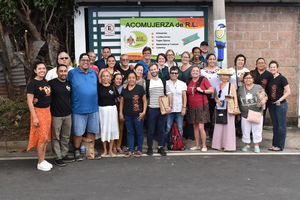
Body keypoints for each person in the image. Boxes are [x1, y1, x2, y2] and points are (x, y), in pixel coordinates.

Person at [67, 53, 100, 161]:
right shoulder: (72, 73)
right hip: (78, 108)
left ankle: (90, 149)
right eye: (83, 60)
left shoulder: (94, 73)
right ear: (79, 61)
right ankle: (77, 150)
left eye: (88, 60)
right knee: (78, 132)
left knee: (92, 130)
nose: (86, 62)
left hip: (93, 108)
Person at [26, 61, 52, 171]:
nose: (42, 70)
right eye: (39, 69)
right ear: (35, 71)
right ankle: (40, 161)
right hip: (39, 112)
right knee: (41, 138)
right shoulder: (33, 83)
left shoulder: (45, 82)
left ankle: (43, 159)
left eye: (43, 68)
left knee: (46, 138)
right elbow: (29, 101)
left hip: (47, 112)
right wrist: (35, 117)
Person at [48, 64, 74, 167]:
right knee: (55, 137)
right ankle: (57, 157)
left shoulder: (69, 84)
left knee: (66, 136)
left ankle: (64, 154)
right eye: (61, 71)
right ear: (57, 72)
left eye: (65, 71)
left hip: (67, 114)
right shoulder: (51, 83)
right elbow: (44, 95)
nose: (63, 73)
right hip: (56, 115)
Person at [238, 72, 268, 153]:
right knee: (245, 130)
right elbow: (237, 100)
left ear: (253, 79)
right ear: (243, 79)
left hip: (257, 113)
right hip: (245, 114)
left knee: (257, 130)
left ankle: (256, 145)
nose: (248, 79)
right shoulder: (240, 89)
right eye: (246, 78)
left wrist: (263, 101)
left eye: (250, 78)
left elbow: (265, 97)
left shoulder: (258, 87)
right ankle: (247, 145)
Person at [120, 72, 147, 158]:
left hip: (138, 115)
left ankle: (139, 150)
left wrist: (144, 112)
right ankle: (130, 150)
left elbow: (145, 101)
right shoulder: (124, 89)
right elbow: (122, 102)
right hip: (127, 115)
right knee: (130, 132)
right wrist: (121, 113)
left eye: (133, 78)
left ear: (136, 79)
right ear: (127, 79)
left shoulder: (140, 88)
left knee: (139, 132)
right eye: (130, 78)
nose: (131, 79)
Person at [186, 66, 214, 151]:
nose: (195, 72)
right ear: (191, 73)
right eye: (193, 71)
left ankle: (204, 145)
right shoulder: (188, 81)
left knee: (201, 127)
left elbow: (212, 90)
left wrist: (203, 90)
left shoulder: (203, 80)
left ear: (199, 72)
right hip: (192, 106)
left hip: (202, 106)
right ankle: (197, 145)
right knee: (195, 127)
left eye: (197, 71)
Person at [146, 63, 170, 156]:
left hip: (162, 109)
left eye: (155, 69)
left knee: (161, 130)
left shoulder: (163, 81)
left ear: (157, 69)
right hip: (152, 109)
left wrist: (169, 106)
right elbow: (145, 97)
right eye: (151, 69)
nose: (153, 71)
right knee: (151, 130)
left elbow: (168, 94)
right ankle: (150, 147)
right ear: (149, 71)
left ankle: (161, 147)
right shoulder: (147, 82)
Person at [212, 69, 238, 151]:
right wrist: (217, 101)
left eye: (226, 75)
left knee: (229, 127)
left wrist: (236, 107)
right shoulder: (217, 86)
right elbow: (215, 97)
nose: (224, 77)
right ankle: (218, 145)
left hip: (228, 108)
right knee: (219, 126)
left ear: (229, 77)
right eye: (223, 75)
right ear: (220, 76)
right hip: (219, 108)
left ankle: (229, 146)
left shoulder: (232, 85)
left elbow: (235, 97)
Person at [266, 61, 291, 151]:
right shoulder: (270, 79)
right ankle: (274, 145)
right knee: (275, 126)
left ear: (277, 68)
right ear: (269, 68)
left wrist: (279, 100)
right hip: (272, 105)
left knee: (281, 126)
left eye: (274, 67)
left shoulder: (282, 78)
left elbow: (288, 91)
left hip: (281, 105)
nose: (272, 68)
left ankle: (280, 146)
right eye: (271, 67)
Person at [98, 70, 119, 157]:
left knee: (112, 129)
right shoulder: (98, 87)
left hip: (112, 110)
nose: (105, 78)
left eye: (107, 76)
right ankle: (105, 150)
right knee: (104, 129)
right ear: (101, 78)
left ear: (110, 78)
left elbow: (118, 99)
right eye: (103, 76)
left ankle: (110, 150)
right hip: (102, 111)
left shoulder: (113, 87)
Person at [165, 66, 187, 149]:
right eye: (172, 73)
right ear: (170, 74)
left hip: (179, 109)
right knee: (167, 127)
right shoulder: (166, 83)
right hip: (169, 110)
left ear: (178, 74)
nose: (174, 74)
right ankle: (169, 144)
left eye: (176, 73)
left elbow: (184, 96)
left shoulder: (182, 83)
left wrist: (184, 107)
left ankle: (180, 144)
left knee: (180, 128)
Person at [201, 53, 220, 139]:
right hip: (206, 95)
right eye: (210, 59)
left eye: (213, 59)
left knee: (218, 114)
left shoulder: (220, 70)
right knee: (208, 113)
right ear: (207, 60)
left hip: (218, 95)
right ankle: (207, 132)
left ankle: (217, 133)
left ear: (216, 60)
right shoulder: (202, 71)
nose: (212, 61)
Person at [251, 57, 273, 124]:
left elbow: (270, 87)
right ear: (256, 64)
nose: (261, 64)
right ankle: (252, 132)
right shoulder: (252, 73)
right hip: (252, 97)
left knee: (261, 115)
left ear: (265, 64)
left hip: (263, 98)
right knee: (252, 115)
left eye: (262, 63)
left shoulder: (269, 75)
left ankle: (259, 132)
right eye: (259, 63)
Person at [112, 73, 125, 153]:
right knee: (113, 128)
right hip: (113, 110)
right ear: (114, 79)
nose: (118, 80)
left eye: (120, 79)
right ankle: (113, 146)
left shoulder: (124, 88)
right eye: (117, 79)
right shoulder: (111, 87)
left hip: (122, 110)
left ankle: (118, 146)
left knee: (121, 129)